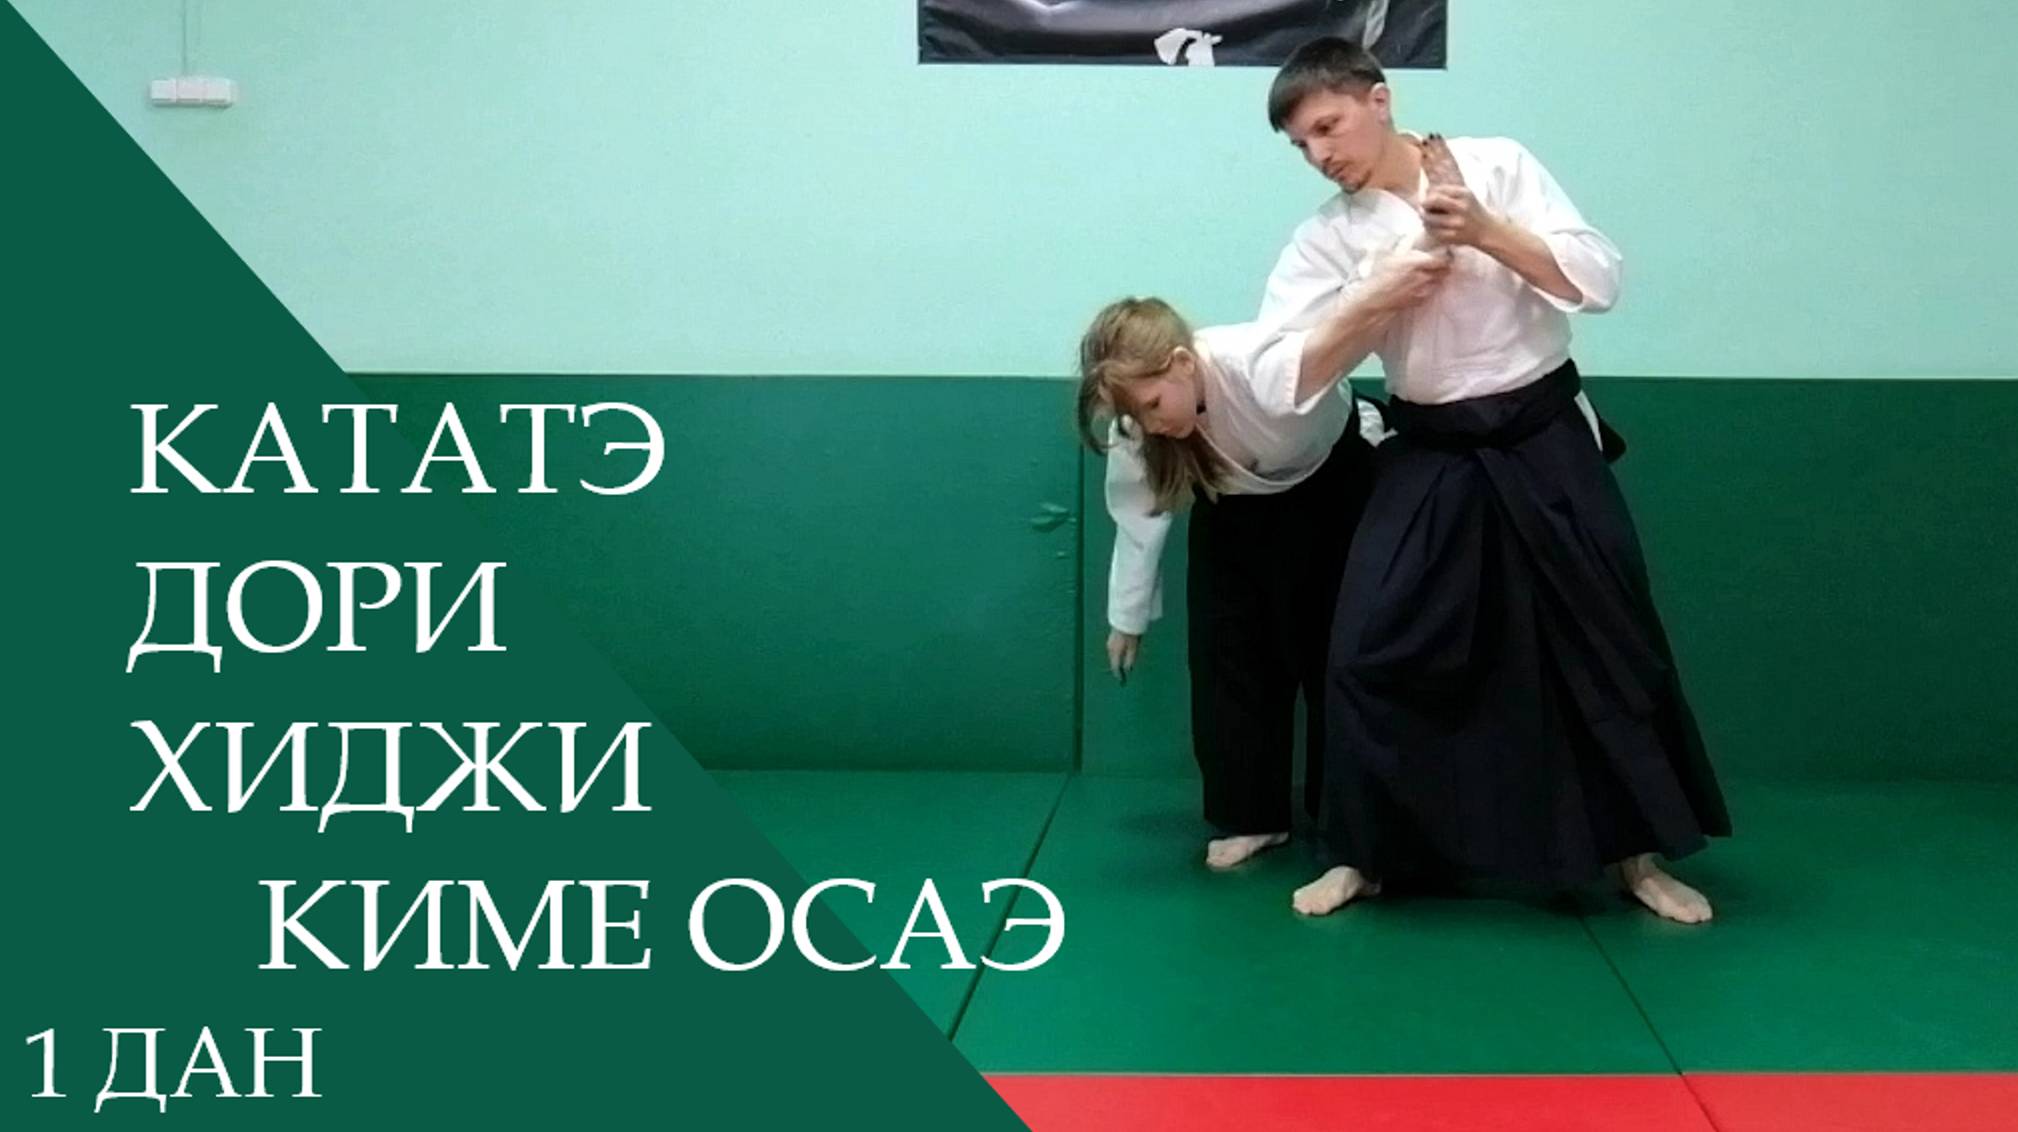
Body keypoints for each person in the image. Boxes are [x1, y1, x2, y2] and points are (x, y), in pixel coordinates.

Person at [1254, 37, 1729, 923]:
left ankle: (1635, 857)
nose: (1319, 154)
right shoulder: (1327, 237)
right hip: (1429, 446)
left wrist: (1482, 230)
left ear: (1378, 100)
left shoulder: (1498, 167)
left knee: (1604, 640)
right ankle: (1364, 853)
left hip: (1542, 433)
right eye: (1301, 144)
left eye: (1328, 126)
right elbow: (1289, 373)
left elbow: (1598, 281)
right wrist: (1375, 295)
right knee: (1366, 645)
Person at [1077, 297, 1384, 871]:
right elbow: (1138, 512)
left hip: (1336, 488)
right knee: (1229, 655)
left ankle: (1347, 823)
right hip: (1233, 506)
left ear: (1181, 362)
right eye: (1137, 416)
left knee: (1337, 658)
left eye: (1154, 404)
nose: (1152, 424)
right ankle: (1250, 814)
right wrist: (1127, 619)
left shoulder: (1260, 366)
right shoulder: (1140, 423)